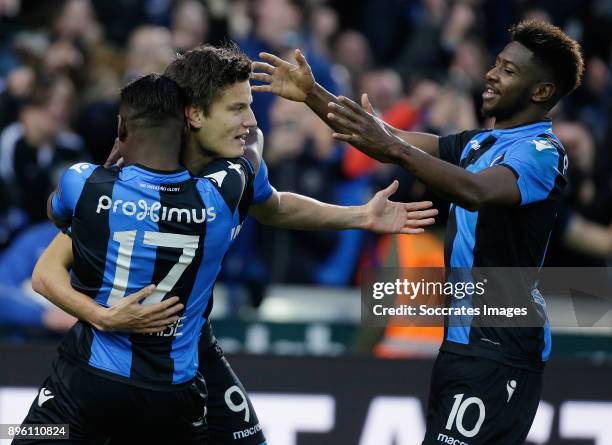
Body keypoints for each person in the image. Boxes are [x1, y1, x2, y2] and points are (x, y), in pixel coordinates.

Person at [32, 45, 438, 445]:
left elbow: (272, 205)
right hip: (142, 372)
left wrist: (361, 216)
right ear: (193, 114)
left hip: (189, 345)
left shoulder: (127, 175)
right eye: (236, 109)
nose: (250, 121)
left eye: (250, 106)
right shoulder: (210, 176)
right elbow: (49, 268)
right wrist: (102, 315)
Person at [251, 20, 584, 444]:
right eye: (496, 63)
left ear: (541, 92)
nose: (491, 73)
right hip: (462, 345)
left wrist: (393, 146)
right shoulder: (480, 144)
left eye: (509, 70)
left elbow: (476, 190)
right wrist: (312, 94)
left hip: (502, 348)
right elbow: (383, 139)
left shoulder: (541, 153)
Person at [16, 73, 215, 444]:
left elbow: (55, 218)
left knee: (31, 434)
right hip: (172, 398)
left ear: (121, 127)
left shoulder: (84, 183)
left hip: (86, 389)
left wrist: (103, 316)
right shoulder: (217, 202)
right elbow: (253, 162)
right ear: (187, 127)